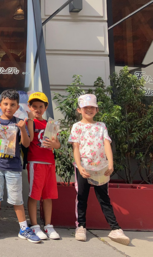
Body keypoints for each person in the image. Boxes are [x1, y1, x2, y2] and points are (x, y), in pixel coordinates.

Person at [69, 94, 130, 245]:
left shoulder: (101, 126)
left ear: (96, 109)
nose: (89, 110)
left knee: (104, 199)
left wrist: (110, 164)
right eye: (85, 108)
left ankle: (115, 229)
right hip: (84, 169)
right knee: (82, 197)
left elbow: (106, 144)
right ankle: (81, 226)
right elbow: (75, 147)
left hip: (101, 169)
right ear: (79, 110)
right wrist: (80, 166)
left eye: (92, 107)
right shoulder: (77, 126)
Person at [0, 89, 41, 243]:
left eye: (12, 104)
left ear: (17, 107)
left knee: (16, 199)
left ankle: (23, 228)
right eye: (6, 104)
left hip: (13, 166)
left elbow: (26, 144)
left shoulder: (18, 122)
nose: (8, 107)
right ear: (0, 104)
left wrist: (22, 128)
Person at [27, 92, 61, 240]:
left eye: (41, 106)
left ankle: (48, 225)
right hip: (36, 162)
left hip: (50, 163)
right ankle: (34, 226)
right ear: (30, 107)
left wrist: (54, 144)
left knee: (48, 195)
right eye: (34, 106)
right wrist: (29, 120)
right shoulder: (30, 122)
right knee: (34, 195)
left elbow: (57, 144)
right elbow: (29, 139)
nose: (38, 109)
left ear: (46, 107)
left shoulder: (50, 124)